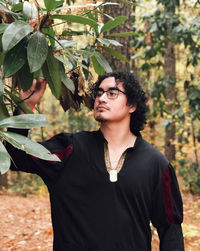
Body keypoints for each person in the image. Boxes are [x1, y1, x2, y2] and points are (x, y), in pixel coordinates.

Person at [6, 72, 184, 251]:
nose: (102, 98)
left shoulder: (156, 164)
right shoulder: (69, 149)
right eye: (99, 93)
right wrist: (24, 107)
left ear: (132, 105)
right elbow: (14, 158)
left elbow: (170, 229)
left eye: (112, 93)